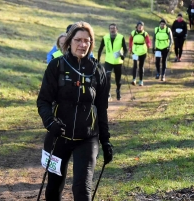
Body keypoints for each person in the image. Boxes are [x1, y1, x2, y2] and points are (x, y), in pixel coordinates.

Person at [37, 21, 113, 201]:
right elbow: (43, 101)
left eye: (87, 40)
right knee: (53, 190)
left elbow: (102, 109)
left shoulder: (98, 71)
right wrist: (50, 122)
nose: (83, 44)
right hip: (58, 137)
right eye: (78, 40)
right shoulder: (56, 66)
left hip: (87, 138)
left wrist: (106, 141)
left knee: (82, 191)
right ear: (69, 41)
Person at [98, 23, 128, 100]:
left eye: (114, 28)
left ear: (116, 29)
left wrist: (123, 56)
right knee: (107, 77)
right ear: (109, 29)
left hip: (118, 61)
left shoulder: (121, 37)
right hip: (108, 61)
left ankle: (118, 90)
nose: (112, 30)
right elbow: (100, 49)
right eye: (111, 28)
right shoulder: (105, 37)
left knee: (118, 79)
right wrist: (98, 60)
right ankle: (108, 93)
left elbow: (125, 50)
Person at [128, 21, 151, 86]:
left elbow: (148, 40)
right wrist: (130, 47)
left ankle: (141, 81)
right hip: (135, 50)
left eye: (141, 26)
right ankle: (134, 79)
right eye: (139, 26)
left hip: (143, 51)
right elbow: (130, 40)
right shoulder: (133, 33)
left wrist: (148, 44)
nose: (140, 27)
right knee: (135, 65)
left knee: (141, 66)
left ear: (143, 27)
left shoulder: (145, 34)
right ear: (137, 27)